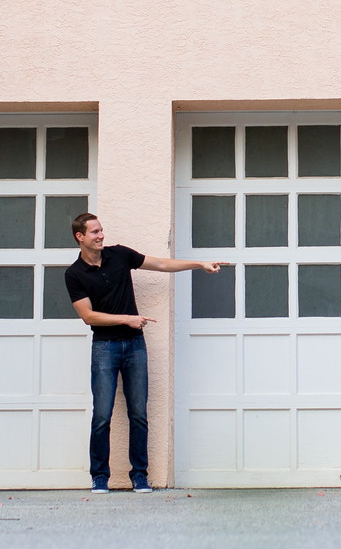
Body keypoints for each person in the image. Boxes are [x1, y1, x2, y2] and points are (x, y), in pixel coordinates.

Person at [64, 212, 228, 494]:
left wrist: (198, 264)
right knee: (102, 415)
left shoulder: (120, 255)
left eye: (102, 230)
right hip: (105, 348)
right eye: (95, 232)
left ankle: (140, 475)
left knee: (138, 413)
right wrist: (126, 319)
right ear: (80, 237)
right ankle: (99, 477)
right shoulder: (74, 274)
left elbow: (162, 263)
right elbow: (88, 317)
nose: (101, 235)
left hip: (135, 346)